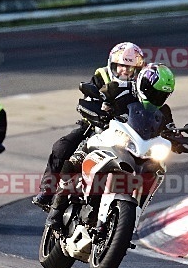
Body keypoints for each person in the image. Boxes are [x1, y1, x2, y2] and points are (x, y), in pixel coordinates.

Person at [45, 63, 176, 231]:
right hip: (109, 135)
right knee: (76, 158)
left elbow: (170, 129)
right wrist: (98, 109)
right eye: (153, 92)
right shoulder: (120, 88)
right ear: (143, 83)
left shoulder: (163, 111)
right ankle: (56, 210)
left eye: (162, 95)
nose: (156, 97)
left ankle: (132, 220)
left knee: (158, 168)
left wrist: (179, 138)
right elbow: (96, 98)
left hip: (138, 148)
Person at [31, 42, 145, 209]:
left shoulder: (141, 84)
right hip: (94, 125)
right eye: (120, 66)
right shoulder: (102, 75)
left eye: (130, 67)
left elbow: (150, 107)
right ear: (112, 64)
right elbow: (88, 98)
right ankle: (47, 192)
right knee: (61, 147)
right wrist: (96, 111)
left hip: (126, 132)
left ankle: (134, 207)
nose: (125, 70)